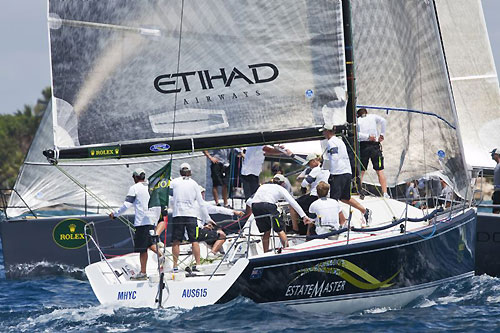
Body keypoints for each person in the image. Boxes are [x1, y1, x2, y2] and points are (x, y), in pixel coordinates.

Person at [109, 168, 162, 280]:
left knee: (143, 249)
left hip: (142, 222)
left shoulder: (134, 188)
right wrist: (155, 220)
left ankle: (143, 273)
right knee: (148, 243)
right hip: (151, 220)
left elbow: (126, 205)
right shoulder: (151, 187)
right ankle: (161, 255)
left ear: (135, 177)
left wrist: (115, 214)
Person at [321, 124, 372, 225]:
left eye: (324, 131)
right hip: (346, 172)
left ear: (328, 131)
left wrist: (327, 171)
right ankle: (365, 211)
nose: (323, 133)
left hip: (338, 173)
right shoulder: (339, 140)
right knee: (345, 197)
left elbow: (334, 158)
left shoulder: (331, 142)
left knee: (333, 200)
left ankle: (342, 222)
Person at [247, 174, 313, 252]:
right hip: (268, 206)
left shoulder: (263, 186)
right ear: (282, 183)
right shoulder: (280, 188)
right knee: (280, 230)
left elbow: (248, 201)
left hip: (255, 206)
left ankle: (265, 252)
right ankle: (287, 251)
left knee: (266, 231)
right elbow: (293, 202)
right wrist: (304, 216)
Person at [170, 162, 207, 272]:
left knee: (176, 241)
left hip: (178, 215)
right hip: (191, 215)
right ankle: (198, 264)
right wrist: (208, 218)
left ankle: (175, 266)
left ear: (180, 172)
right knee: (194, 240)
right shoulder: (194, 184)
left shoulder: (174, 182)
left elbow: (168, 196)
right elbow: (201, 203)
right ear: (190, 172)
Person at [198, 186, 244, 258]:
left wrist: (209, 224)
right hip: (198, 231)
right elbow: (217, 209)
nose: (203, 195)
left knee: (217, 229)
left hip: (193, 232)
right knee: (222, 235)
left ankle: (220, 252)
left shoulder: (189, 204)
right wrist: (234, 212)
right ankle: (212, 254)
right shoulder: (202, 204)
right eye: (202, 193)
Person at [290, 153, 329, 234]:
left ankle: (295, 230)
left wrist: (305, 177)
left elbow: (304, 184)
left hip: (314, 195)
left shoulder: (315, 169)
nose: (308, 165)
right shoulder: (327, 168)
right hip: (326, 195)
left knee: (292, 205)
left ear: (314, 161)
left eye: (309, 163)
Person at [357, 108, 389, 198]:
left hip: (364, 147)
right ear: (366, 113)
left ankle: (359, 191)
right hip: (375, 146)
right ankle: (385, 193)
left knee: (361, 171)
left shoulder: (357, 121)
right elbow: (383, 121)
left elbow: (357, 134)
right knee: (380, 170)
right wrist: (382, 134)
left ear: (358, 115)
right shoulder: (373, 117)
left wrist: (367, 136)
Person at [491, 148, 500, 214]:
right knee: (495, 210)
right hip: (497, 191)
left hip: (499, 192)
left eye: (493, 154)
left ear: (497, 154)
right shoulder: (497, 165)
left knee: (496, 211)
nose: (491, 155)